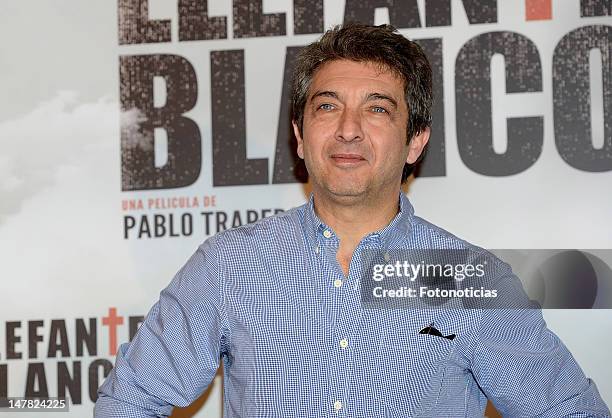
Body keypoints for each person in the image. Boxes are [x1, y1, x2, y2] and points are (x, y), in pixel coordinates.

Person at [95, 23, 610, 417]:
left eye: (378, 110)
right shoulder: (229, 265)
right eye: (326, 106)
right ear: (299, 135)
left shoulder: (467, 280)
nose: (348, 130)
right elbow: (128, 402)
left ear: (416, 141)